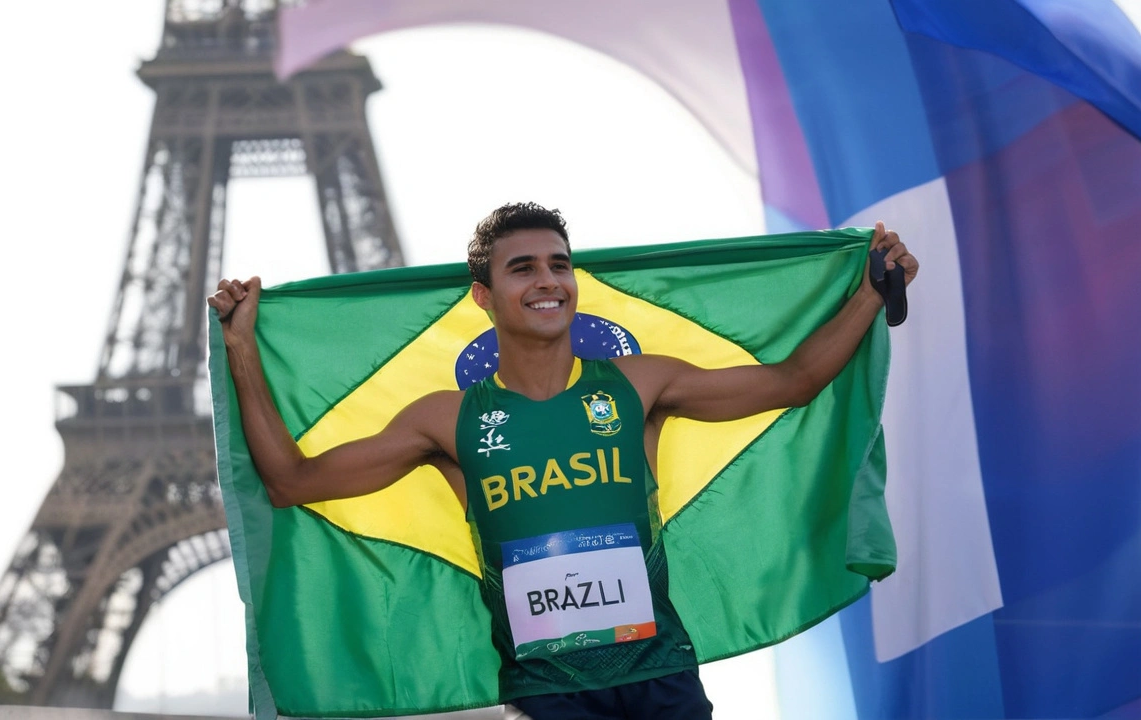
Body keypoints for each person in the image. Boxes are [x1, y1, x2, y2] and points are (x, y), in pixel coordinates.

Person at [208, 202, 918, 720]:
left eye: (560, 265)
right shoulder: (446, 420)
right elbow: (291, 482)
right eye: (523, 269)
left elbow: (791, 381)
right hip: (548, 698)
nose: (548, 281)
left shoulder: (639, 384)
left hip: (662, 680)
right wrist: (243, 350)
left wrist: (867, 294)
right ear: (484, 296)